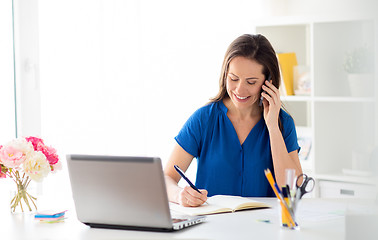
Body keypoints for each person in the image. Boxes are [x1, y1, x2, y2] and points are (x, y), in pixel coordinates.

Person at [164, 34, 302, 207]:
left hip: (264, 229)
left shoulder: (283, 123)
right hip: (213, 229)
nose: (239, 90)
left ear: (268, 83)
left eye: (251, 82)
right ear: (225, 75)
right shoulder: (204, 119)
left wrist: (273, 127)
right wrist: (179, 196)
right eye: (233, 79)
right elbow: (166, 177)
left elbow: (291, 190)